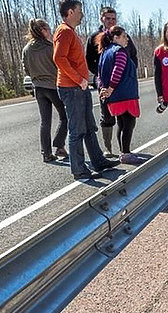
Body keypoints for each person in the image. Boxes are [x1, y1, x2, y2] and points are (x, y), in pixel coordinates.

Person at [53, 0, 119, 180]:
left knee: (90, 127)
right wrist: (79, 80)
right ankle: (79, 170)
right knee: (77, 130)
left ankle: (98, 161)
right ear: (70, 12)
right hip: (72, 88)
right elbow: (59, 58)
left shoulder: (70, 32)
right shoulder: (64, 32)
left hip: (79, 87)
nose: (82, 14)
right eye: (80, 10)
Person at [86, 6, 138, 158]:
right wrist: (102, 77)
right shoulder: (95, 37)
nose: (110, 21)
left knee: (124, 118)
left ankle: (124, 150)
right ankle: (108, 149)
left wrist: (130, 72)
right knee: (108, 115)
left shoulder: (123, 36)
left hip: (124, 83)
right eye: (108, 18)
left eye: (113, 18)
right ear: (102, 19)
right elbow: (89, 60)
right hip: (106, 83)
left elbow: (133, 55)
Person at [22, 19, 69, 163]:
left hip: (38, 88)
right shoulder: (50, 47)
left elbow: (26, 69)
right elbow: (59, 65)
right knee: (65, 116)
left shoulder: (26, 49)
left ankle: (46, 153)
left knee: (45, 121)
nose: (50, 31)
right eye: (48, 28)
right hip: (53, 86)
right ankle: (59, 145)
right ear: (42, 30)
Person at [96, 26, 144, 165]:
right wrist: (110, 88)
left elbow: (99, 75)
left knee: (121, 123)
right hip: (124, 94)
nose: (126, 39)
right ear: (116, 38)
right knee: (129, 123)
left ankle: (124, 151)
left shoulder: (104, 52)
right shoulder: (120, 52)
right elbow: (118, 70)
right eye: (124, 36)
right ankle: (126, 153)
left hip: (115, 97)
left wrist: (103, 89)